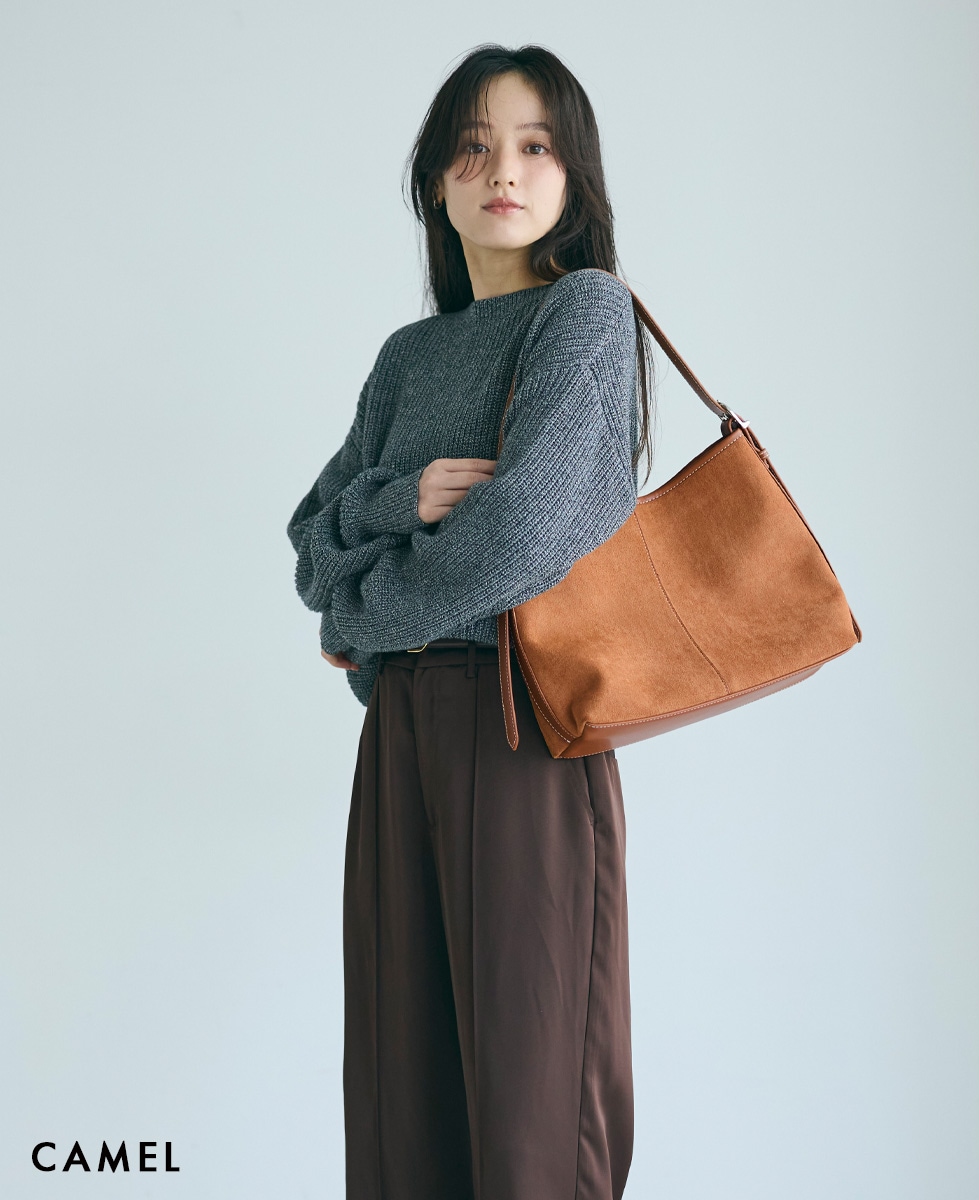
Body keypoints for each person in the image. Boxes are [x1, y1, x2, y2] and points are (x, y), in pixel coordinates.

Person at [287, 42, 656, 1200]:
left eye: (536, 145)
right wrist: (397, 500)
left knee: (528, 1103)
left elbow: (517, 537)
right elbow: (310, 542)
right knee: (401, 1100)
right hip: (398, 731)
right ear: (434, 183)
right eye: (473, 146)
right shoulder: (408, 357)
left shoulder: (585, 312)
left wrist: (365, 612)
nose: (503, 170)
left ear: (574, 177)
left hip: (520, 725)